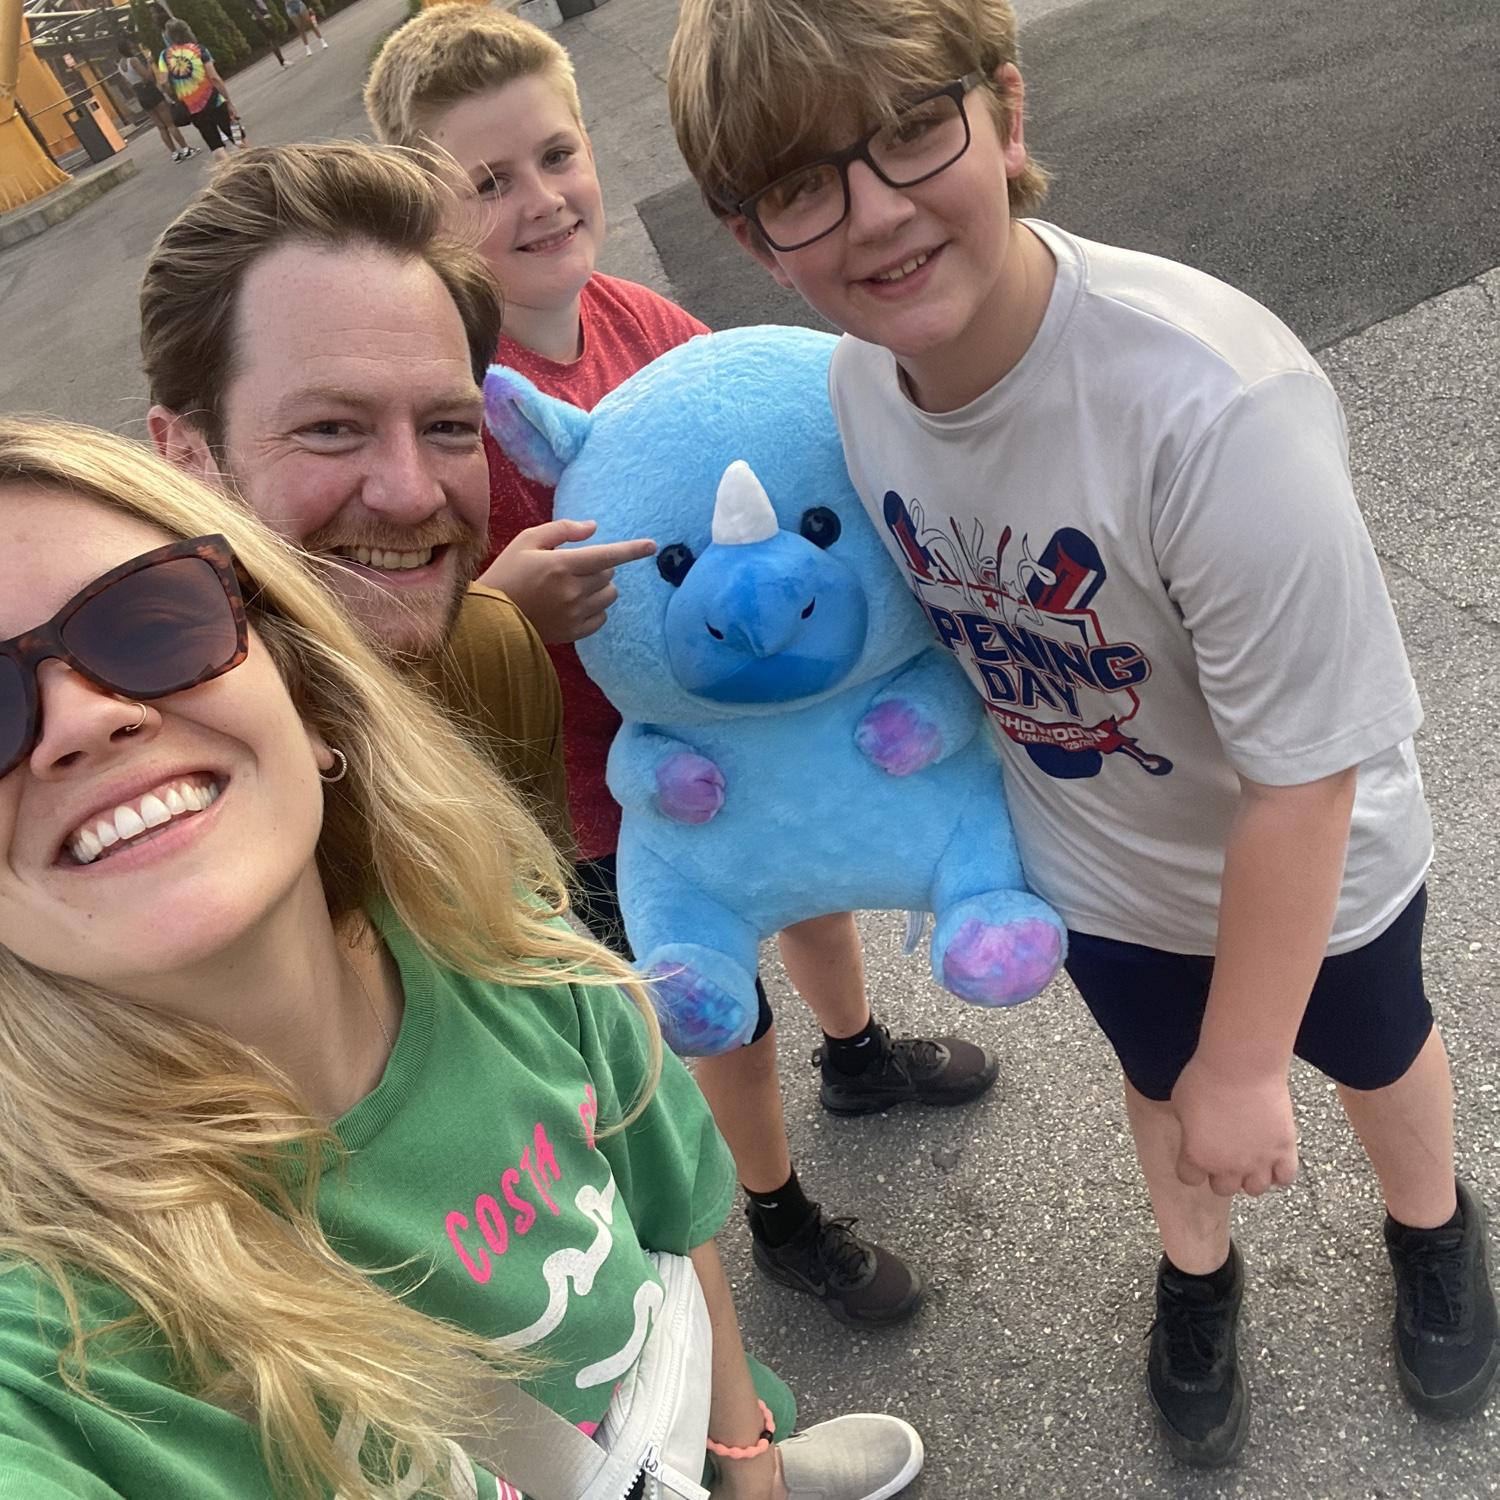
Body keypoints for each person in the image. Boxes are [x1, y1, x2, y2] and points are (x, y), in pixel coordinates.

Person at [667, 0, 1499, 1468]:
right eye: (802, 183)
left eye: (911, 130)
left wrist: (1250, 1064)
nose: (876, 212)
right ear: (755, 237)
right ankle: (1198, 1272)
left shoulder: (1210, 403)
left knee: (1376, 1055)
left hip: (1313, 863)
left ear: (1004, 110)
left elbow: (1308, 777)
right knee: (1157, 1081)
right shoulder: (858, 385)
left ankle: (1431, 1229)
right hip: (1104, 868)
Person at [0, 415, 925, 1500]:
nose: (83, 720)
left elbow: (673, 1235)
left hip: (682, 1438)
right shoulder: (50, 1347)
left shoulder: (506, 944)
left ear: (309, 700)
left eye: (153, 621)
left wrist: (742, 1456)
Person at [366, 2, 1002, 1332]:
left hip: (764, 735)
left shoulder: (640, 319)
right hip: (609, 795)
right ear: (427, 215)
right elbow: (406, 630)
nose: (542, 200)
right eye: (489, 182)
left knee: (815, 899)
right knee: (718, 1008)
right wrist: (504, 607)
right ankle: (776, 1211)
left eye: (556, 155)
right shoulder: (448, 409)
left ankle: (859, 1056)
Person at [141, 142, 571, 856]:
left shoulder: (493, 657)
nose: (411, 495)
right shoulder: (124, 779)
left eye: (446, 426)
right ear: (185, 454)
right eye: (331, 429)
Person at [155, 18, 243, 162]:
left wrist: (175, 96)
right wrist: (228, 101)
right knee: (238, 137)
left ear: (169, 36)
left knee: (215, 146)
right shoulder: (199, 49)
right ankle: (254, 164)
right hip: (215, 101)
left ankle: (229, 169)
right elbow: (214, 78)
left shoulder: (165, 56)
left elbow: (163, 82)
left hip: (193, 108)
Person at [116, 36, 194, 162]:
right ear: (127, 47)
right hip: (150, 91)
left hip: (140, 94)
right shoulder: (133, 60)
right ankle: (186, 148)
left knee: (160, 126)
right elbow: (148, 77)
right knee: (169, 123)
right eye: (130, 45)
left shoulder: (120, 66)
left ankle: (174, 153)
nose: (133, 46)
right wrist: (149, 63)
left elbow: (128, 84)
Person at [246, 0, 290, 68]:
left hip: (265, 17)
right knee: (273, 40)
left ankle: (282, 61)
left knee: (273, 39)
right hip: (263, 19)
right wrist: (265, 22)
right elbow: (255, 11)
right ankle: (282, 61)